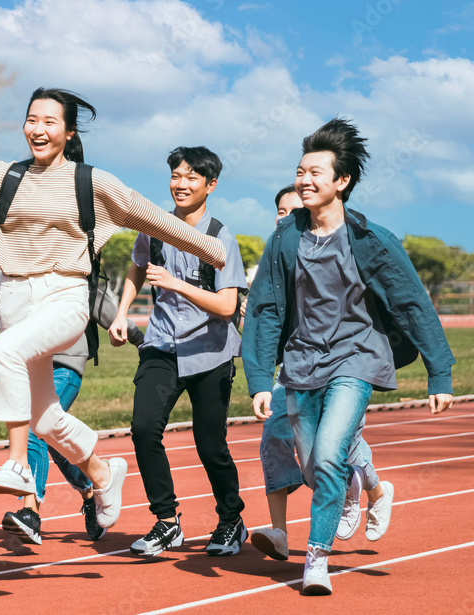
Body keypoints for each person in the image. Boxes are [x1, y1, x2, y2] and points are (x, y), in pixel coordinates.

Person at [0, 88, 226, 533]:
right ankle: (101, 473)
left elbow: (151, 215)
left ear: (69, 131)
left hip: (64, 295)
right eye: (31, 120)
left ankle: (18, 465)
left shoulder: (91, 182)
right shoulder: (2, 178)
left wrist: (211, 250)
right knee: (44, 416)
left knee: (4, 353)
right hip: (15, 297)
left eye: (49, 122)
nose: (38, 130)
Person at [243, 118, 455, 595]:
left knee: (333, 452)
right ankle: (355, 486)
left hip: (356, 358)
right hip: (300, 363)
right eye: (301, 171)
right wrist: (259, 377)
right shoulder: (286, 239)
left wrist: (439, 372)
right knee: (317, 466)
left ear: (342, 182)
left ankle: (315, 562)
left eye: (317, 172)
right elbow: (266, 309)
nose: (305, 180)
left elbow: (411, 302)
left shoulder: (369, 239)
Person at [110, 146, 248, 558]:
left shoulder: (220, 236)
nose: (181, 184)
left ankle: (231, 520)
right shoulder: (154, 226)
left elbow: (227, 306)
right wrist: (121, 312)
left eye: (191, 177)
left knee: (210, 444)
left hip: (211, 352)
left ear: (211, 185)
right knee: (143, 428)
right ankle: (167, 522)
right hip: (161, 345)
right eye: (176, 175)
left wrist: (177, 284)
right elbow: (138, 266)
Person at [250, 186, 387, 562]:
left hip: (343, 362)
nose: (286, 216)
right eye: (280, 209)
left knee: (336, 444)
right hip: (293, 367)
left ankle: (370, 487)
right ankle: (279, 531)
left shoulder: (332, 251)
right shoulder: (278, 254)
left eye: (293, 209)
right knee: (274, 436)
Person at [0, 276, 143, 544]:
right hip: (28, 357)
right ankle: (91, 486)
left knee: (35, 428)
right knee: (50, 432)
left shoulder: (71, 259)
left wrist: (138, 337)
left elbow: (99, 303)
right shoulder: (21, 254)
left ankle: (30, 513)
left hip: (65, 363)